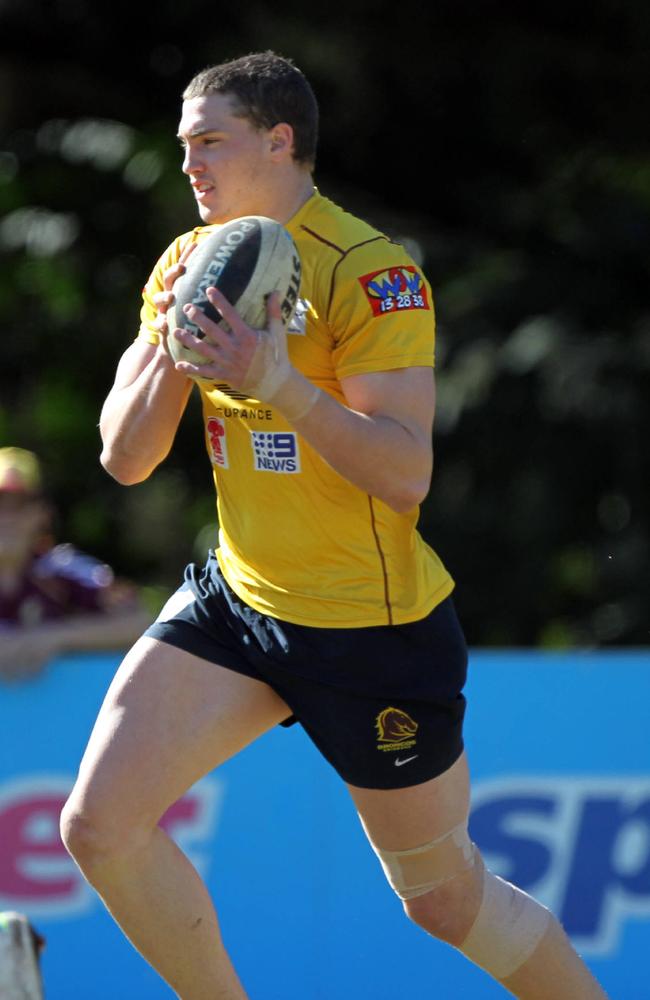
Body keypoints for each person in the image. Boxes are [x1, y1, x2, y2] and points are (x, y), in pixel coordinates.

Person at [60, 52, 607, 1000]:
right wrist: (178, 347)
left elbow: (406, 473)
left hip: (369, 630)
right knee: (97, 827)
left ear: (281, 141)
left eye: (209, 142)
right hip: (241, 602)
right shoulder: (187, 262)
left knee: (443, 901)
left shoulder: (370, 270)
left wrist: (273, 379)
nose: (188, 163)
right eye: (184, 144)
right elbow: (124, 458)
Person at [0, 446, 150, 680]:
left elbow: (139, 623)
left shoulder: (62, 570)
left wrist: (51, 637)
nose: (6, 517)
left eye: (20, 505)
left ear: (43, 513)